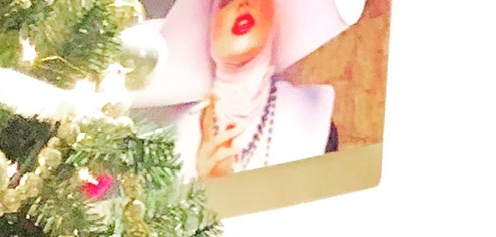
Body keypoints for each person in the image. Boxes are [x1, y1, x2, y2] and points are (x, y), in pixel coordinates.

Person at [135, 0, 364, 183]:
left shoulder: (312, 127)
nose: (241, 4)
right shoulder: (161, 139)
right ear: (207, 27)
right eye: (226, 2)